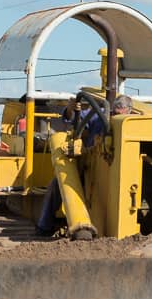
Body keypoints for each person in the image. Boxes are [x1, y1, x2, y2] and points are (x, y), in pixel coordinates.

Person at [36, 94, 133, 236]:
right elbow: (73, 117)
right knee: (58, 184)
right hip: (89, 165)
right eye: (114, 113)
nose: (115, 117)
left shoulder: (131, 124)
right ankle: (44, 226)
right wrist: (71, 109)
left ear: (130, 111)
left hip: (115, 169)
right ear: (111, 110)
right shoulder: (98, 116)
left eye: (120, 114)